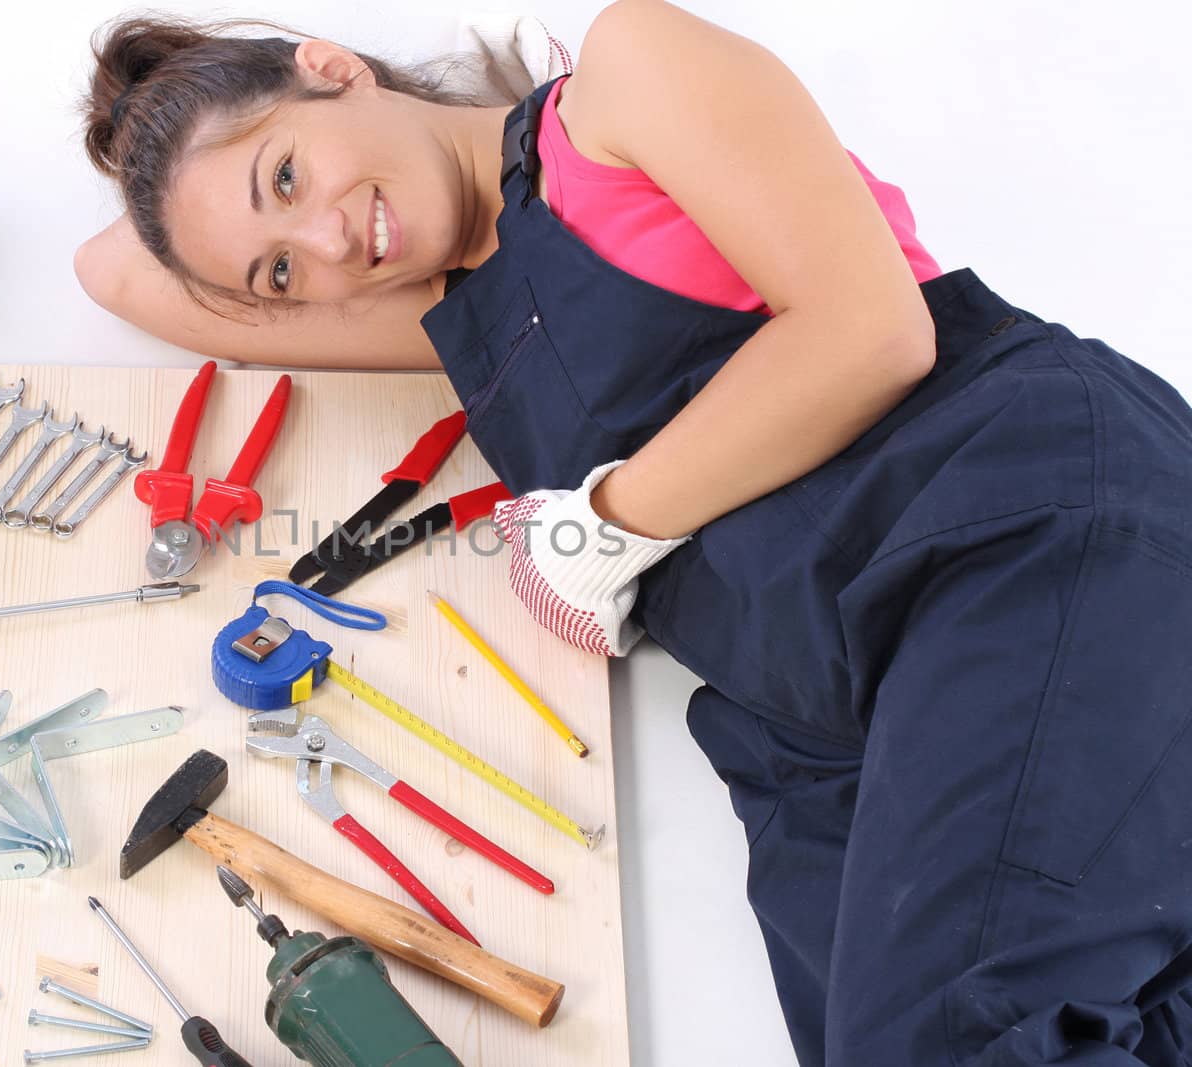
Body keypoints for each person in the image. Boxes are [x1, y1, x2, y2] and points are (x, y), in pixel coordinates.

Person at [74, 3, 1192, 1064]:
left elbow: (871, 332)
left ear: (330, 65)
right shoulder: (448, 315)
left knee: (957, 1036)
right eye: (280, 272)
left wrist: (603, 524)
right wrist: (212, 160)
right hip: (824, 706)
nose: (326, 245)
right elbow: (117, 274)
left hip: (1004, 530)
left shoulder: (619, 87)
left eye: (287, 173)